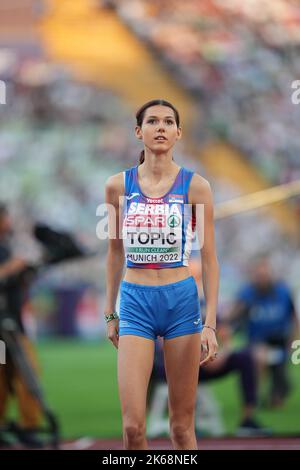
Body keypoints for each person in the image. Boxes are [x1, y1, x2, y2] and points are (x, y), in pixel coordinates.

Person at [104, 99, 219, 450]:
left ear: (178, 133)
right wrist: (111, 313)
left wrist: (210, 322)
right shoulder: (118, 187)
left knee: (181, 428)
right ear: (139, 131)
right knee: (133, 428)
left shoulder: (196, 187)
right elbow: (114, 252)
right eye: (152, 121)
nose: (161, 127)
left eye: (168, 122)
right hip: (136, 303)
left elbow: (210, 258)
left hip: (181, 303)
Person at [228, 254, 300, 408]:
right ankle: (254, 396)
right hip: (257, 343)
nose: (262, 277)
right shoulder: (247, 293)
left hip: (280, 342)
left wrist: (294, 344)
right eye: (259, 274)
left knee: (277, 402)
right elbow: (232, 316)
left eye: (265, 273)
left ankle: (278, 391)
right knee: (259, 358)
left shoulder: (283, 292)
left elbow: (294, 320)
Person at [0, 203, 43, 448]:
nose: (9, 221)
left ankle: (29, 426)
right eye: (5, 217)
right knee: (20, 373)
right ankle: (25, 427)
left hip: (12, 325)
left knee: (27, 373)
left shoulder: (7, 247)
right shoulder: (6, 253)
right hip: (6, 330)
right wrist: (13, 267)